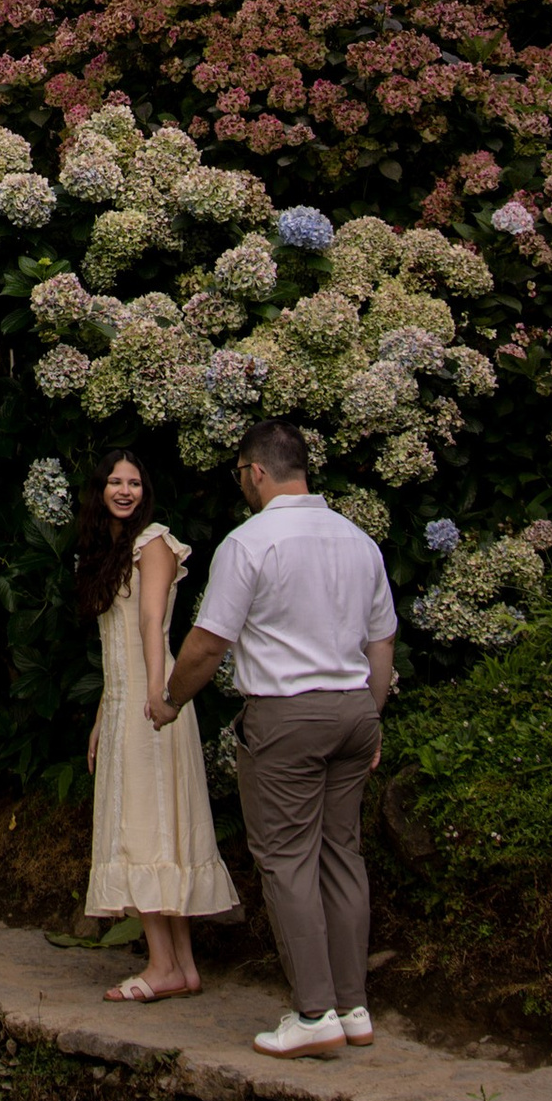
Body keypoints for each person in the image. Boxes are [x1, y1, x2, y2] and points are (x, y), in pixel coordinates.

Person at [151, 418, 396, 1058]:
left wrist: (172, 700)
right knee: (342, 855)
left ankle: (314, 1013)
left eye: (240, 475)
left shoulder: (250, 542)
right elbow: (381, 642)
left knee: (287, 860)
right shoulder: (358, 541)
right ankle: (354, 1006)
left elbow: (208, 643)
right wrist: (370, 719)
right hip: (352, 708)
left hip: (287, 716)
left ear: (255, 472)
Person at [76, 449, 239, 1001]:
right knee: (151, 824)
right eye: (115, 482)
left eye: (135, 482)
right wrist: (105, 714)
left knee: (148, 826)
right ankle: (181, 968)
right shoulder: (105, 552)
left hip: (154, 699)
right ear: (99, 490)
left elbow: (151, 622)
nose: (125, 491)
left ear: (148, 491)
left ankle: (165, 965)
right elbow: (110, 647)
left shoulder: (155, 543)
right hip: (124, 700)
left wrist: (153, 692)